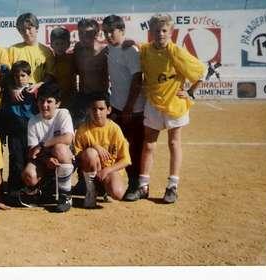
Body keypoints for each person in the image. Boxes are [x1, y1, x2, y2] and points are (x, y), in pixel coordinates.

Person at [124, 14, 204, 204]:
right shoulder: (146, 50)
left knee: (174, 143)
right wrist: (131, 42)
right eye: (156, 31)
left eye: (164, 30)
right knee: (148, 145)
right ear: (151, 32)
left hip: (175, 104)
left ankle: (172, 186)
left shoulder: (177, 52)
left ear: (171, 32)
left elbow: (201, 71)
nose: (160, 34)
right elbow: (138, 46)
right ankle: (143, 186)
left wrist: (190, 93)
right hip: (153, 103)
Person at [101, 15, 145, 194]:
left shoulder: (130, 50)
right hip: (117, 107)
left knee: (134, 149)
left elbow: (137, 79)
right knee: (114, 146)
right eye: (105, 32)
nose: (108, 35)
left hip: (134, 109)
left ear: (122, 31)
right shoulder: (109, 50)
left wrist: (129, 106)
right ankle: (107, 184)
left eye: (112, 31)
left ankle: (136, 185)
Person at [21, 82, 75, 212]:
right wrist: (46, 159)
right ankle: (39, 191)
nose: (44, 105)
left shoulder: (63, 114)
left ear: (57, 103)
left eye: (49, 101)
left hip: (64, 158)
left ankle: (65, 196)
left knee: (60, 148)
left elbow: (68, 138)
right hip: (44, 160)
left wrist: (43, 144)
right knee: (29, 174)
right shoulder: (33, 120)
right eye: (41, 101)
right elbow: (32, 152)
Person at [73, 94, 131, 209]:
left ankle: (104, 190)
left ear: (108, 110)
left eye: (101, 109)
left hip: (109, 170)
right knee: (90, 153)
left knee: (118, 193)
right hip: (90, 172)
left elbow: (126, 160)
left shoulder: (115, 129)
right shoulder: (83, 129)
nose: (97, 112)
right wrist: (94, 147)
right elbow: (77, 156)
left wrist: (107, 170)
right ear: (89, 110)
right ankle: (91, 191)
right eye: (94, 109)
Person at [0, 60, 36, 196]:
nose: (20, 79)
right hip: (14, 132)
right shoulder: (9, 92)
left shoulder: (34, 91)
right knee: (16, 160)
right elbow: (3, 69)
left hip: (30, 132)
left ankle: (30, 188)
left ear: (29, 76)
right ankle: (14, 190)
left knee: (30, 159)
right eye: (16, 76)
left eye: (23, 75)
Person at [7, 13, 55, 96]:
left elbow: (50, 75)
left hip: (39, 96)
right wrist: (12, 89)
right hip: (18, 96)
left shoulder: (46, 51)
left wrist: (37, 85)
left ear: (36, 28)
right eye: (22, 29)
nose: (26, 32)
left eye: (29, 28)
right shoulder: (12, 50)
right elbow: (7, 75)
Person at [72, 18, 108, 126]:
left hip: (100, 97)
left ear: (96, 34)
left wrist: (129, 42)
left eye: (88, 33)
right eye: (81, 33)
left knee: (100, 130)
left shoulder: (105, 51)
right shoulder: (78, 48)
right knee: (80, 129)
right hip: (83, 96)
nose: (83, 36)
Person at [50, 27, 75, 109]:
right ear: (51, 45)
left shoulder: (72, 59)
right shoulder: (49, 60)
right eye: (57, 44)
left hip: (70, 99)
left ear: (68, 44)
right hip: (54, 100)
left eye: (62, 43)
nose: (60, 47)